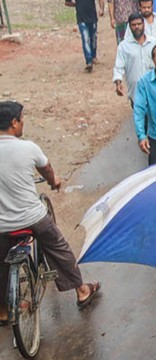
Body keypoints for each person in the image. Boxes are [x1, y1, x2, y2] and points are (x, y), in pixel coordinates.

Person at [0, 101, 101, 325]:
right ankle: (82, 290)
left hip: (2, 225)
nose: (22, 122)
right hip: (32, 218)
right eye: (21, 119)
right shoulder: (28, 148)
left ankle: (3, 311)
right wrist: (53, 181)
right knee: (59, 247)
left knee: (1, 262)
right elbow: (46, 169)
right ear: (14, 123)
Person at [65, 0, 104, 71]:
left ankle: (94, 56)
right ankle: (88, 61)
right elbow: (67, 2)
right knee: (85, 39)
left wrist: (101, 9)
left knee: (93, 39)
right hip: (81, 18)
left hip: (92, 17)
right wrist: (76, 5)